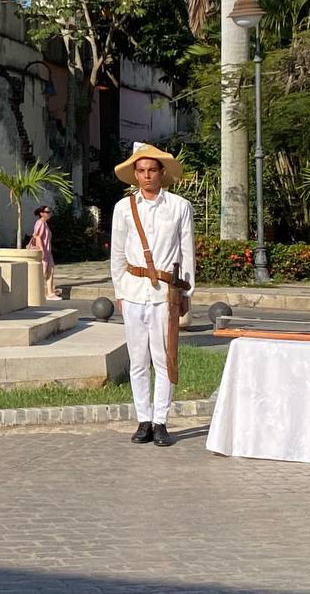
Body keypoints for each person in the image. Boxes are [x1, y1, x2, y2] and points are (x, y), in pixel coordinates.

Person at [109, 143, 195, 448]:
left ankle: (161, 421)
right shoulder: (124, 209)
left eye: (152, 170)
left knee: (164, 357)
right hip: (134, 290)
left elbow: (186, 253)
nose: (147, 176)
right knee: (138, 359)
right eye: (141, 171)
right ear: (135, 174)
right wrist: (119, 291)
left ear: (162, 172)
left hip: (165, 293)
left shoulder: (179, 207)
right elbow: (118, 253)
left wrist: (186, 292)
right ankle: (143, 419)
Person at [27, 206, 60, 300]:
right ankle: (37, 293)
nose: (49, 214)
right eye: (47, 212)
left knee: (50, 271)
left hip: (48, 251)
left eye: (50, 212)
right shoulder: (40, 223)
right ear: (41, 213)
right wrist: (42, 250)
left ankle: (50, 293)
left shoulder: (45, 224)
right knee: (43, 272)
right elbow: (37, 236)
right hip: (44, 251)